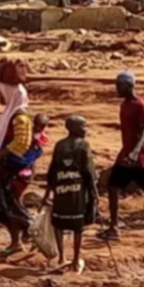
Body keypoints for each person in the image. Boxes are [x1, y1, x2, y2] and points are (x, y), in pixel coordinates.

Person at [101, 71, 144, 242]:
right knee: (112, 186)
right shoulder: (124, 105)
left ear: (129, 86)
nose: (117, 88)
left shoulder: (140, 105)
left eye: (119, 85)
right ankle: (114, 227)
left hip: (139, 157)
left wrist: (136, 151)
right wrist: (127, 152)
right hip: (126, 154)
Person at [0, 82, 34, 256]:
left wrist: (1, 154)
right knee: (2, 206)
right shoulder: (10, 115)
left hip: (13, 171)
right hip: (5, 170)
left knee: (7, 205)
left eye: (2, 92)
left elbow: (22, 142)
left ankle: (28, 229)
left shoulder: (20, 117)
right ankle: (18, 239)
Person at [42, 115, 97, 274]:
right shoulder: (83, 145)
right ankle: (75, 260)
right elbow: (89, 171)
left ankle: (62, 257)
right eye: (83, 126)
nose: (85, 130)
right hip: (77, 191)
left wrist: (48, 193)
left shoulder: (59, 145)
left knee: (59, 223)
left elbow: (52, 170)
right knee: (78, 226)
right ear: (73, 128)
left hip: (61, 189)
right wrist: (94, 192)